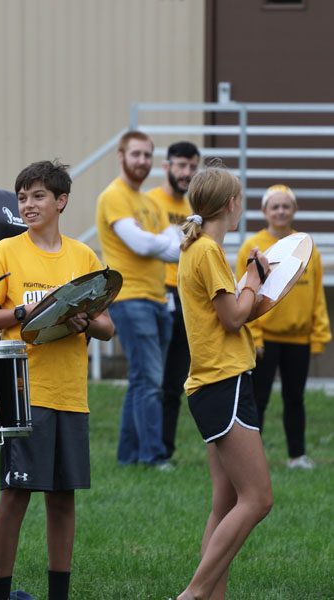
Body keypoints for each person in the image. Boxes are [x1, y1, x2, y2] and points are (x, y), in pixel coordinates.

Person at [0, 160, 114, 600]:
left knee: (63, 496)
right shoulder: (7, 253)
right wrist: (21, 313)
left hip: (71, 394)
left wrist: (84, 320)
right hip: (24, 390)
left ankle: (58, 594)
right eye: (23, 197)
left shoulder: (83, 256)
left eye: (38, 196)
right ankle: (0, 590)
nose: (28, 205)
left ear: (61, 201)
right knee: (16, 494)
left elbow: (108, 327)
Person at [175, 165, 274, 600]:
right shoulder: (209, 252)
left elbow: (233, 313)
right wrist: (252, 279)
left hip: (212, 384)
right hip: (224, 382)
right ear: (230, 204)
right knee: (258, 499)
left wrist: (262, 290)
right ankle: (193, 594)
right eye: (240, 198)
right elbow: (233, 318)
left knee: (227, 504)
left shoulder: (196, 249)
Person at [95, 130, 180, 468]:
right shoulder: (114, 196)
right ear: (121, 156)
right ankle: (153, 455)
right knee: (150, 381)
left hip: (158, 299)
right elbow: (143, 245)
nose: (142, 161)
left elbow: (175, 250)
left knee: (141, 380)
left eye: (147, 155)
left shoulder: (149, 203)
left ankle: (129, 456)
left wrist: (159, 240)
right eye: (136, 154)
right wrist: (161, 239)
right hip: (130, 299)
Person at [236, 185, 330, 469]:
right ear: (264, 211)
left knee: (295, 398)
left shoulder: (307, 248)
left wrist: (318, 334)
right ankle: (255, 460)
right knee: (259, 399)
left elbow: (316, 294)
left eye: (285, 206)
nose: (280, 211)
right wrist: (256, 336)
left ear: (294, 210)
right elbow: (245, 293)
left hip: (298, 338)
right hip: (265, 340)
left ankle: (296, 455)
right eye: (274, 206)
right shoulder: (252, 246)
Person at [146, 141, 201, 460]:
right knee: (153, 379)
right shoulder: (151, 201)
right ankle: (147, 449)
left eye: (193, 166)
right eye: (181, 165)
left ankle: (165, 449)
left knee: (176, 380)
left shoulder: (195, 206)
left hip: (186, 297)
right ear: (166, 167)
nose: (187, 172)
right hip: (158, 293)